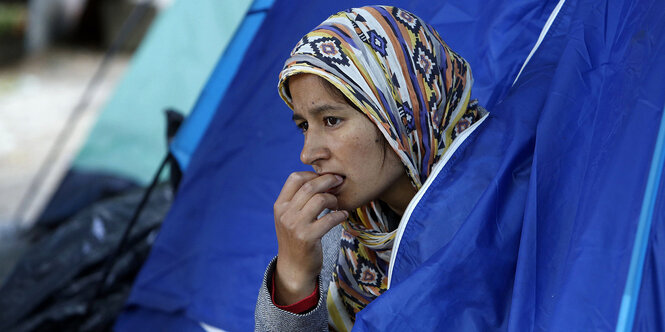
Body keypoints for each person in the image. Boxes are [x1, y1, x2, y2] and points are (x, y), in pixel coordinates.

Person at [255, 5, 487, 331]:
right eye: (304, 125)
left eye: (331, 120)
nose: (308, 154)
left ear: (403, 111)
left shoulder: (505, 200)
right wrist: (293, 280)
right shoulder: (343, 241)